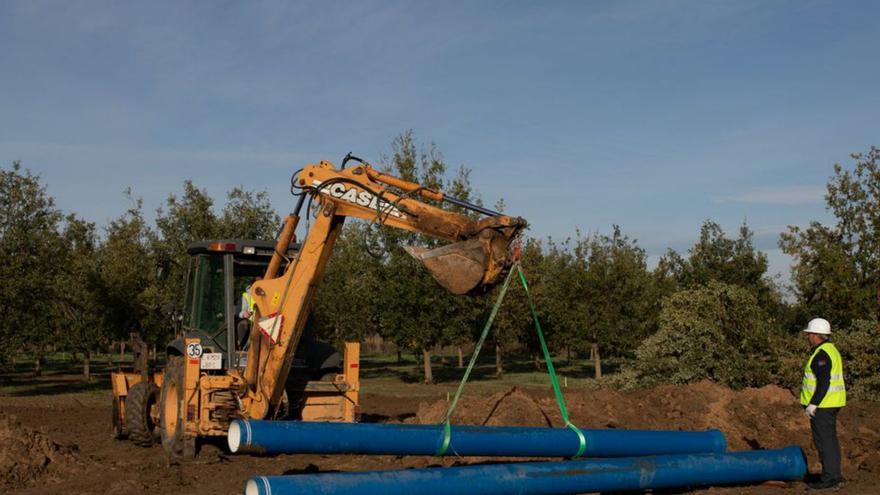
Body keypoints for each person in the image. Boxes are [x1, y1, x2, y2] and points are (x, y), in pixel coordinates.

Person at [800, 317, 846, 491]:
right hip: (830, 404)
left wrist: (813, 404)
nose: (808, 337)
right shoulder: (831, 349)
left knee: (824, 442)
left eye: (809, 334)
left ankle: (829, 479)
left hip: (823, 406)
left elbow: (824, 381)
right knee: (830, 441)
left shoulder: (821, 354)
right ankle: (834, 476)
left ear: (815, 335)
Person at [236, 277, 262, 348]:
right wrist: (245, 314)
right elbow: (241, 312)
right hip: (251, 321)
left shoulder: (269, 293)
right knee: (242, 325)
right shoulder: (247, 295)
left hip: (264, 320)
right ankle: (243, 347)